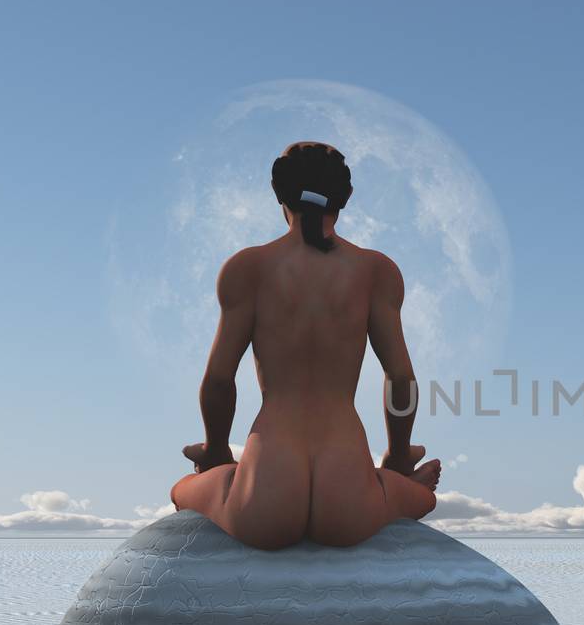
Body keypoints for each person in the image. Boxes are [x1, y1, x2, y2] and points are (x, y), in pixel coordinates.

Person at [170, 141, 440, 550]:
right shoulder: (376, 271)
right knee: (420, 496)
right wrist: (399, 454)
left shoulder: (249, 267)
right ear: (345, 198)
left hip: (266, 494)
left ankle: (213, 469)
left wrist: (218, 449)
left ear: (279, 195)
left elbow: (220, 380)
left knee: (184, 488)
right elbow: (401, 378)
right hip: (348, 497)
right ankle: (397, 481)